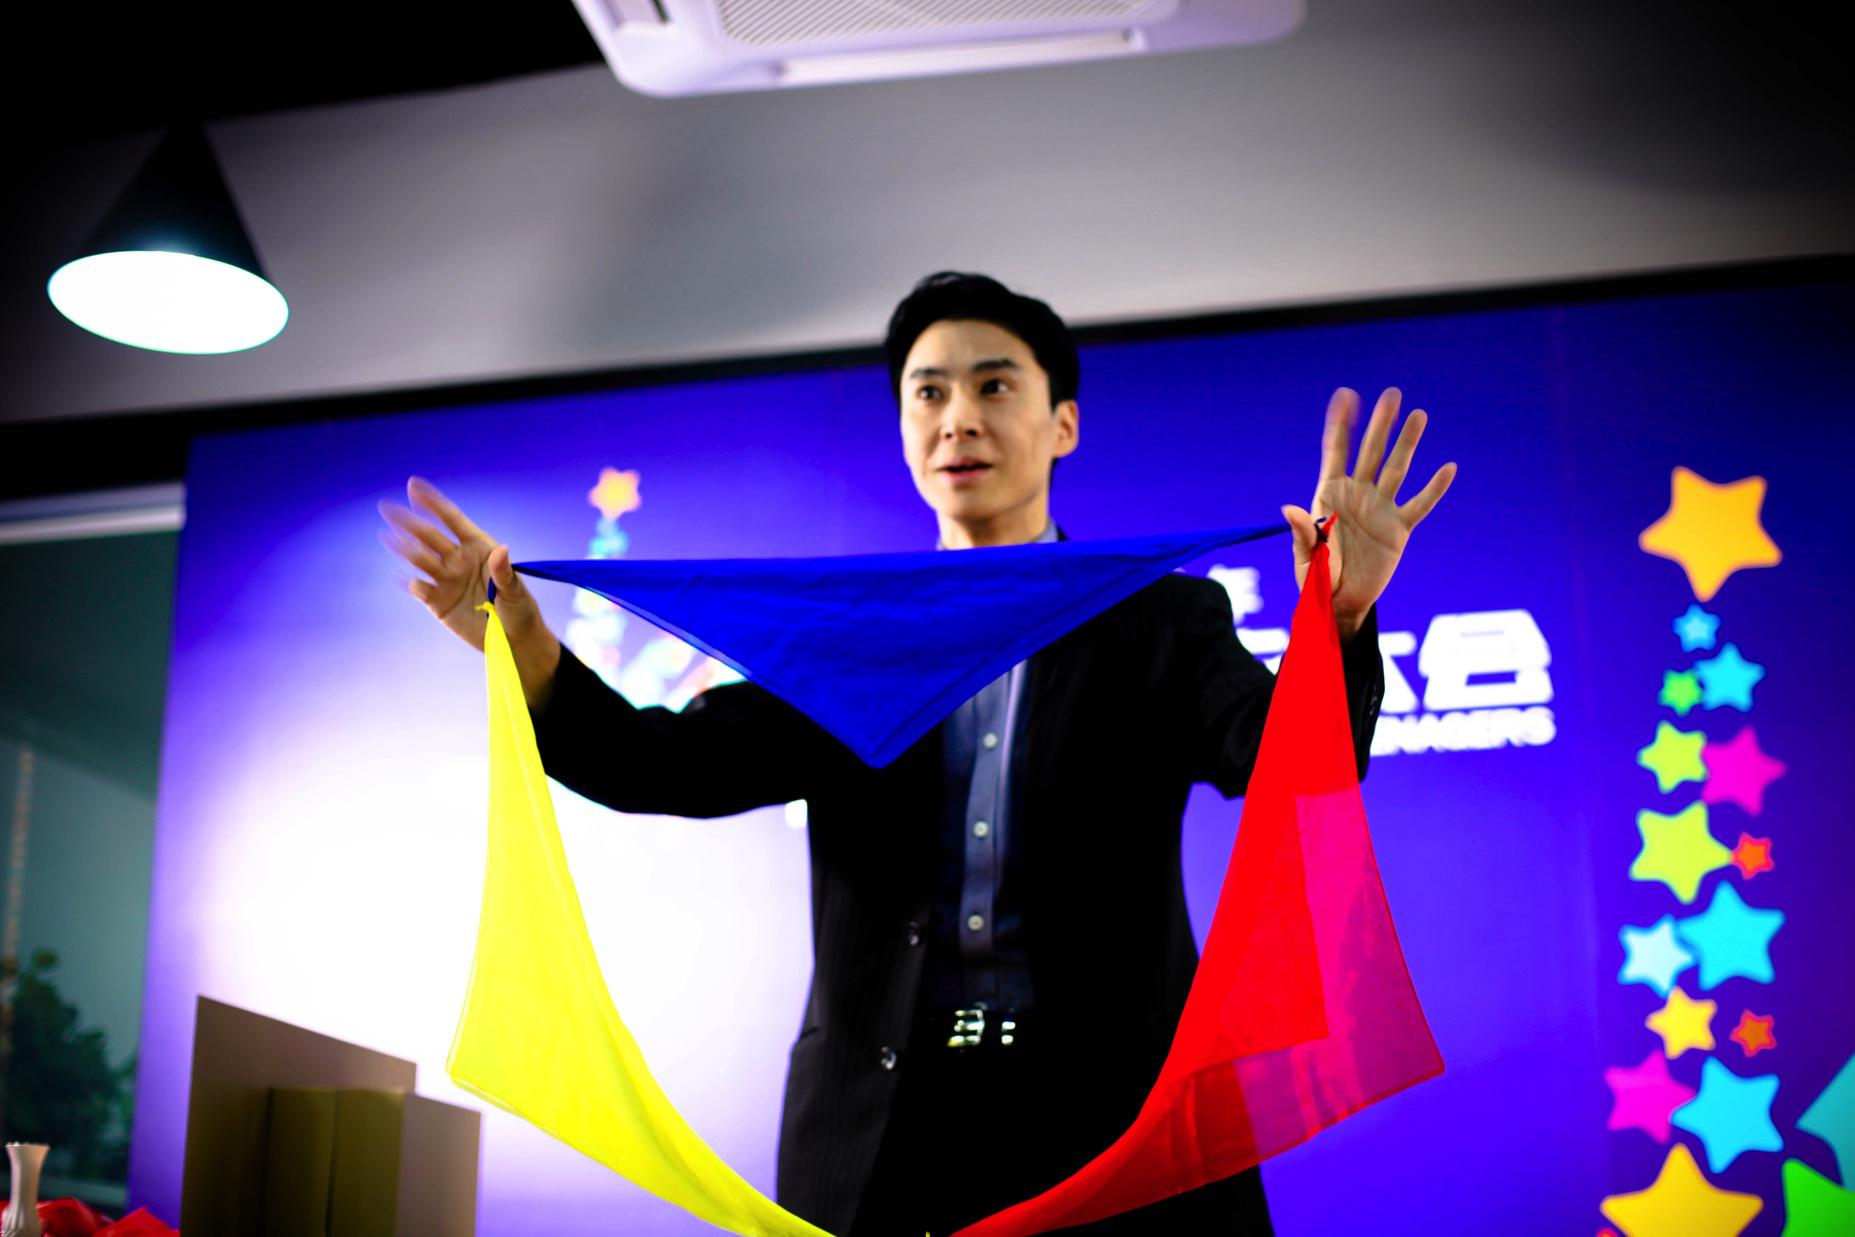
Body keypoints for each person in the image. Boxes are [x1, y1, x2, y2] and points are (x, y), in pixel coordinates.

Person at [378, 272, 1455, 1234]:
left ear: (1062, 423)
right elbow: (659, 766)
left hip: (1110, 1130)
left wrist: (1339, 622)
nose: (958, 418)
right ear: (904, 428)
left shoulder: (1158, 621)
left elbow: (1287, 759)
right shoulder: (855, 638)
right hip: (882, 1141)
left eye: (994, 386)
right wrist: (520, 640)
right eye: (928, 393)